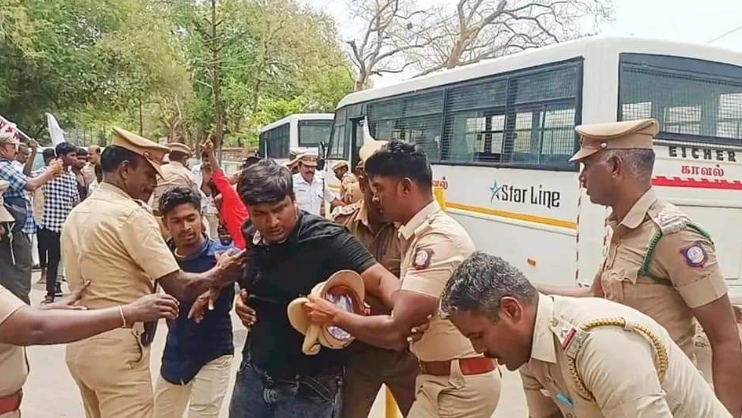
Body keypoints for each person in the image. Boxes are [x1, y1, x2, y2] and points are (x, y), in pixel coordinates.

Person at [538, 118, 742, 416]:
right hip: (618, 393)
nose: (581, 178)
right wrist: (529, 290)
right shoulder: (622, 229)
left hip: (665, 403)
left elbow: (724, 337)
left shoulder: (673, 237)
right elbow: (596, 295)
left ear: (615, 167)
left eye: (587, 166)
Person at [305, 141, 500, 418]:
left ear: (406, 187)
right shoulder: (413, 233)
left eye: (380, 189)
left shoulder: (437, 239)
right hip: (433, 378)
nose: (374, 198)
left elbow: (397, 331)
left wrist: (335, 316)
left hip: (456, 385)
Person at [61, 127, 244, 418]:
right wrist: (220, 274)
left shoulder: (79, 213)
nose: (152, 185)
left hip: (80, 346)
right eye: (148, 175)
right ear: (124, 170)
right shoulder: (132, 214)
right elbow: (179, 287)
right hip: (118, 351)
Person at [440, 252, 732, 417]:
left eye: (478, 336)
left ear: (511, 310)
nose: (479, 350)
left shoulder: (600, 343)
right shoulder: (528, 351)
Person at [221, 159, 404, 418]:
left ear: (293, 199)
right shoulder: (252, 232)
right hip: (254, 376)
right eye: (260, 213)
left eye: (279, 209)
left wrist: (406, 313)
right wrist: (245, 299)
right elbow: (259, 276)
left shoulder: (327, 239)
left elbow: (384, 281)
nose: (272, 221)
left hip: (309, 388)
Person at [330, 142, 418, 418]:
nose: (382, 198)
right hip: (357, 356)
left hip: (406, 355)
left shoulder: (415, 230)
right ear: (363, 181)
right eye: (377, 188)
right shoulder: (341, 226)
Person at [153, 187, 234, 418]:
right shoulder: (161, 257)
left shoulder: (222, 257)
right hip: (176, 353)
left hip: (214, 353)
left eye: (191, 218)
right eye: (176, 221)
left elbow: (244, 262)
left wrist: (215, 285)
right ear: (166, 224)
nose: (186, 227)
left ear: (201, 216)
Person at [0, 124, 63, 303]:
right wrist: (50, 171)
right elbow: (31, 184)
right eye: (13, 147)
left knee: (19, 266)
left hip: (17, 226)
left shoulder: (9, 166)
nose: (16, 150)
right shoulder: (3, 166)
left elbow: (29, 178)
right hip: (11, 227)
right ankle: (19, 306)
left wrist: (50, 172)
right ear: (2, 149)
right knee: (18, 267)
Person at [38, 141, 81, 304]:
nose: (75, 158)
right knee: (53, 260)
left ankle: (73, 292)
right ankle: (50, 293)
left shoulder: (71, 177)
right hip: (50, 224)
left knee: (72, 260)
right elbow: (30, 181)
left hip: (67, 225)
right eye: (72, 155)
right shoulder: (46, 173)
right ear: (61, 156)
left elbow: (75, 200)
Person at [200, 140, 250, 249]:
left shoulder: (235, 200)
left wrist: (211, 154)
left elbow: (220, 179)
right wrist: (210, 154)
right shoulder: (234, 199)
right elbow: (220, 178)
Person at [152, 142, 198, 215]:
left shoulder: (158, 171)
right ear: (184, 158)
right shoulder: (189, 175)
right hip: (180, 215)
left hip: (157, 213)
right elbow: (196, 197)